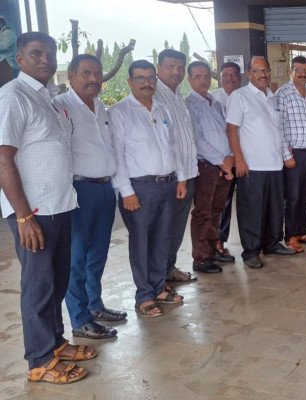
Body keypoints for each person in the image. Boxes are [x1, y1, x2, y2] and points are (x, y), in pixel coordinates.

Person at [0, 31, 93, 385]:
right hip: (34, 212)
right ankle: (39, 360)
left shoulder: (47, 97)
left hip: (59, 205)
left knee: (56, 281)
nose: (45, 59)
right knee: (38, 286)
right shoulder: (13, 96)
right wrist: (23, 216)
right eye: (36, 53)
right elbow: (3, 159)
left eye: (50, 53)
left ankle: (55, 343)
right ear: (19, 59)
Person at [110, 59, 187, 317]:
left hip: (168, 184)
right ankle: (144, 296)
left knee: (163, 239)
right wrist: (126, 191)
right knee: (141, 242)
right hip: (139, 188)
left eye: (151, 78)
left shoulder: (163, 109)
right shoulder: (120, 112)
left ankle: (158, 288)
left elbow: (173, 147)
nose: (147, 83)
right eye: (140, 78)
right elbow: (117, 155)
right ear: (130, 81)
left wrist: (181, 178)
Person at [55, 54, 124, 340]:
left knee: (98, 252)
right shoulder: (60, 106)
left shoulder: (101, 107)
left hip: (105, 188)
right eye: (86, 72)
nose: (94, 78)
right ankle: (80, 319)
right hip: (79, 190)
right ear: (71, 75)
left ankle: (95, 305)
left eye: (97, 73)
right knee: (77, 257)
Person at [226, 56, 298, 268]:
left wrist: (284, 152)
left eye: (266, 70)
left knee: (275, 209)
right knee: (252, 210)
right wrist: (239, 159)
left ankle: (272, 243)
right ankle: (251, 251)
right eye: (258, 71)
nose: (263, 74)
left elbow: (277, 130)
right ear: (248, 74)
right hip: (252, 166)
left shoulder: (272, 97)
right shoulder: (240, 96)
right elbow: (231, 130)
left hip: (274, 165)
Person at [153, 49, 199, 283]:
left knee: (177, 227)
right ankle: (157, 278)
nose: (176, 72)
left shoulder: (178, 95)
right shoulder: (154, 95)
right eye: (170, 66)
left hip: (187, 173)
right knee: (163, 230)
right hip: (169, 177)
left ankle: (168, 268)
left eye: (180, 67)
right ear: (159, 67)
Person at [185, 61, 234, 274]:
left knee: (216, 211)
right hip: (206, 167)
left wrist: (230, 159)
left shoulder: (215, 102)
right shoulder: (189, 105)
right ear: (189, 79)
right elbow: (197, 140)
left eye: (206, 76)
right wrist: (222, 161)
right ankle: (201, 258)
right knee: (203, 213)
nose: (203, 80)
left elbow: (225, 133)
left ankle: (212, 250)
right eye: (198, 76)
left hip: (223, 166)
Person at [277, 56, 306, 253]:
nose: (303, 73)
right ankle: (291, 236)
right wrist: (286, 154)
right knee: (293, 197)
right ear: (291, 71)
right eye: (299, 69)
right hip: (294, 155)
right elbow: (278, 126)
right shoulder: (283, 93)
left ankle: (302, 231)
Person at [210, 62, 241, 263]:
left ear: (240, 77)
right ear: (220, 78)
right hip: (223, 160)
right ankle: (218, 241)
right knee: (222, 202)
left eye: (233, 74)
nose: (230, 78)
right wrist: (226, 158)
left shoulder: (245, 96)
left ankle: (252, 242)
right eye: (226, 74)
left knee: (246, 201)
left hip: (244, 158)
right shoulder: (213, 99)